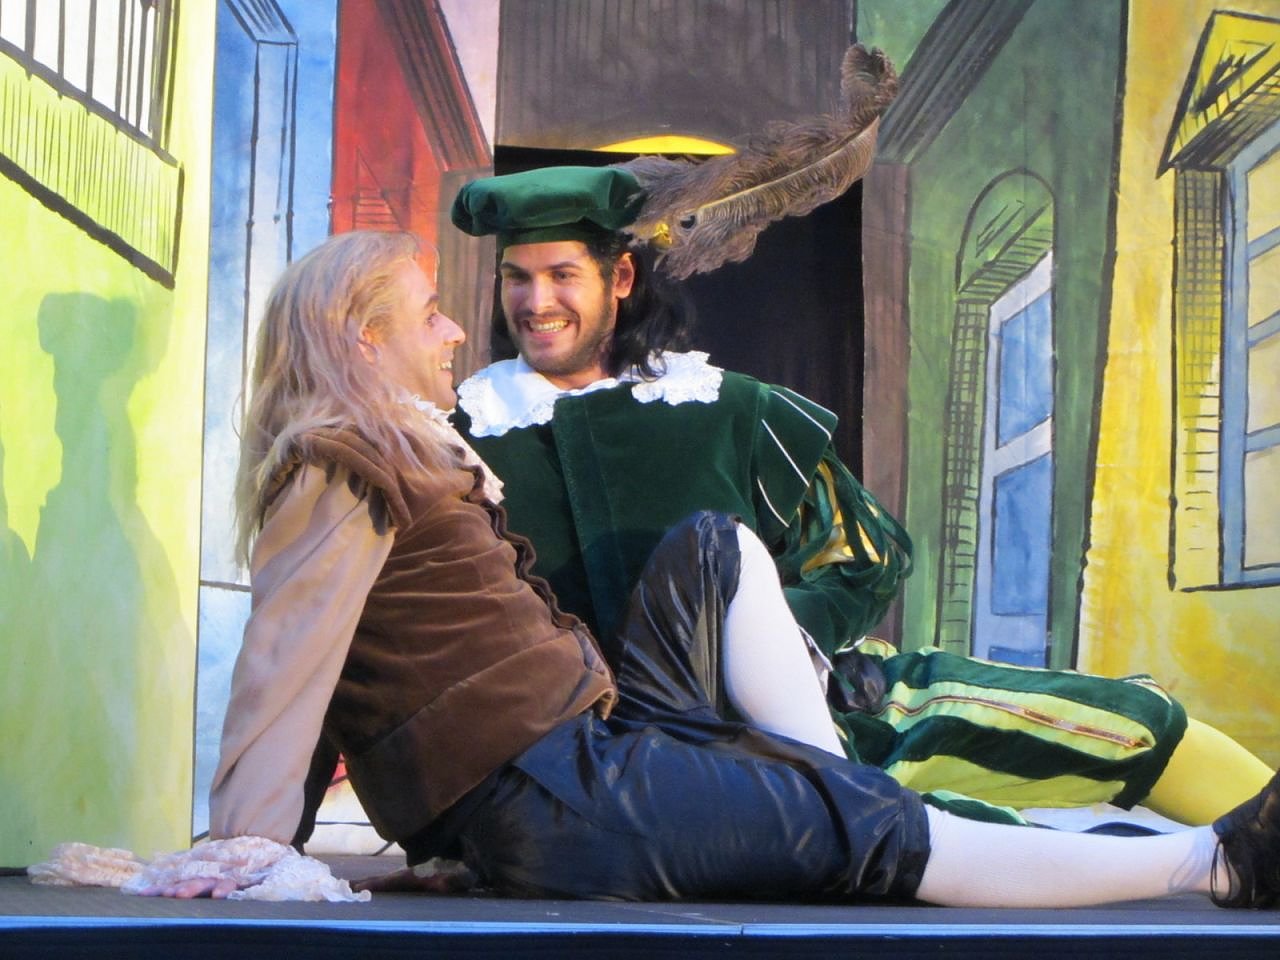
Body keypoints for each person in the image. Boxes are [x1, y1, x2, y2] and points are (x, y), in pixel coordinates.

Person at [158, 228, 1278, 907]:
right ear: (362, 338)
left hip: (588, 734)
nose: (460, 330)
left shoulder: (398, 450)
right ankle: (1215, 866)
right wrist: (253, 845)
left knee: (712, 544)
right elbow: (291, 660)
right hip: (553, 795)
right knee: (888, 839)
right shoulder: (338, 462)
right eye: (431, 313)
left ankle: (833, 784)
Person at [449, 165, 1273, 828]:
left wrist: (767, 650)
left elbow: (867, 558)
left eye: (562, 275)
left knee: (1124, 723)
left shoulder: (725, 409)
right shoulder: (462, 442)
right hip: (614, 773)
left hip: (839, 709)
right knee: (950, 850)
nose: (536, 303)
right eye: (518, 278)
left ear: (620, 277)